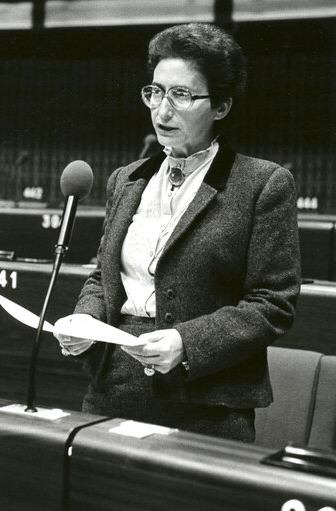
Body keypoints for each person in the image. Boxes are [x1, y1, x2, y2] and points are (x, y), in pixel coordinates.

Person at [53, 22, 301, 443]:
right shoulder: (126, 180)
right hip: (112, 392)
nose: (162, 110)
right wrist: (87, 319)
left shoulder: (262, 184)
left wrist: (187, 341)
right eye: (155, 92)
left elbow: (272, 303)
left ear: (220, 106)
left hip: (204, 405)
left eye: (181, 95)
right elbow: (104, 277)